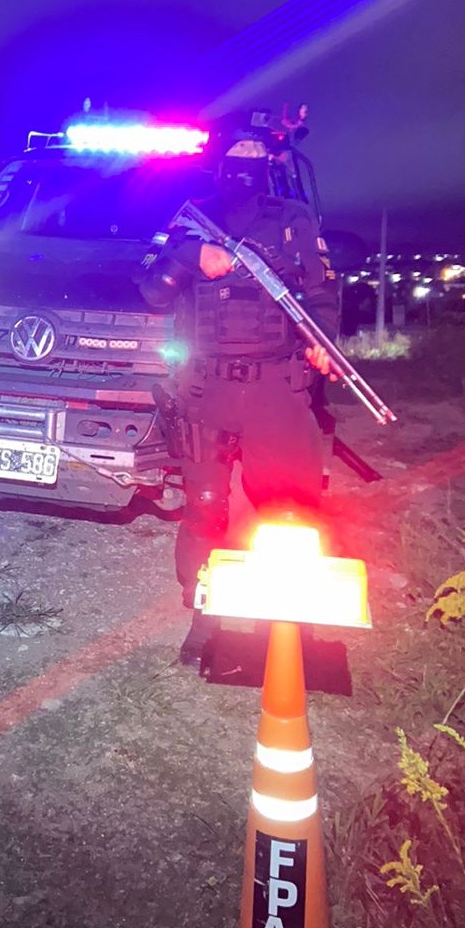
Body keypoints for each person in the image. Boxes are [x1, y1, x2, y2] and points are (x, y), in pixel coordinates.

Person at [140, 128, 339, 666]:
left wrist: (322, 342)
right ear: (219, 162)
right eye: (237, 151)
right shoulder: (189, 220)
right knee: (205, 507)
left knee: (288, 508)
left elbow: (322, 291)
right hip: (205, 389)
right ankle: (205, 614)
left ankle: (289, 620)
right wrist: (192, 256)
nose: (247, 160)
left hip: (277, 385)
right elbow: (151, 289)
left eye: (257, 152)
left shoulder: (293, 217)